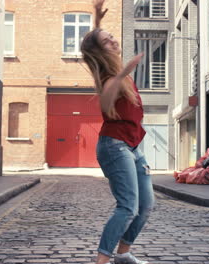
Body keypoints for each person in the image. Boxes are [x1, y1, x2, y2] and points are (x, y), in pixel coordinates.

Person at [80, 1, 155, 263]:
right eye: (107, 40)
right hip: (115, 146)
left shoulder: (113, 67)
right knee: (127, 208)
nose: (113, 40)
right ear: (100, 52)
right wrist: (124, 72)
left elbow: (95, 44)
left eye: (112, 36)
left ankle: (123, 255)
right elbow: (105, 101)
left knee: (146, 207)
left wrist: (97, 20)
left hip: (134, 146)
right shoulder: (108, 76)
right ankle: (101, 261)